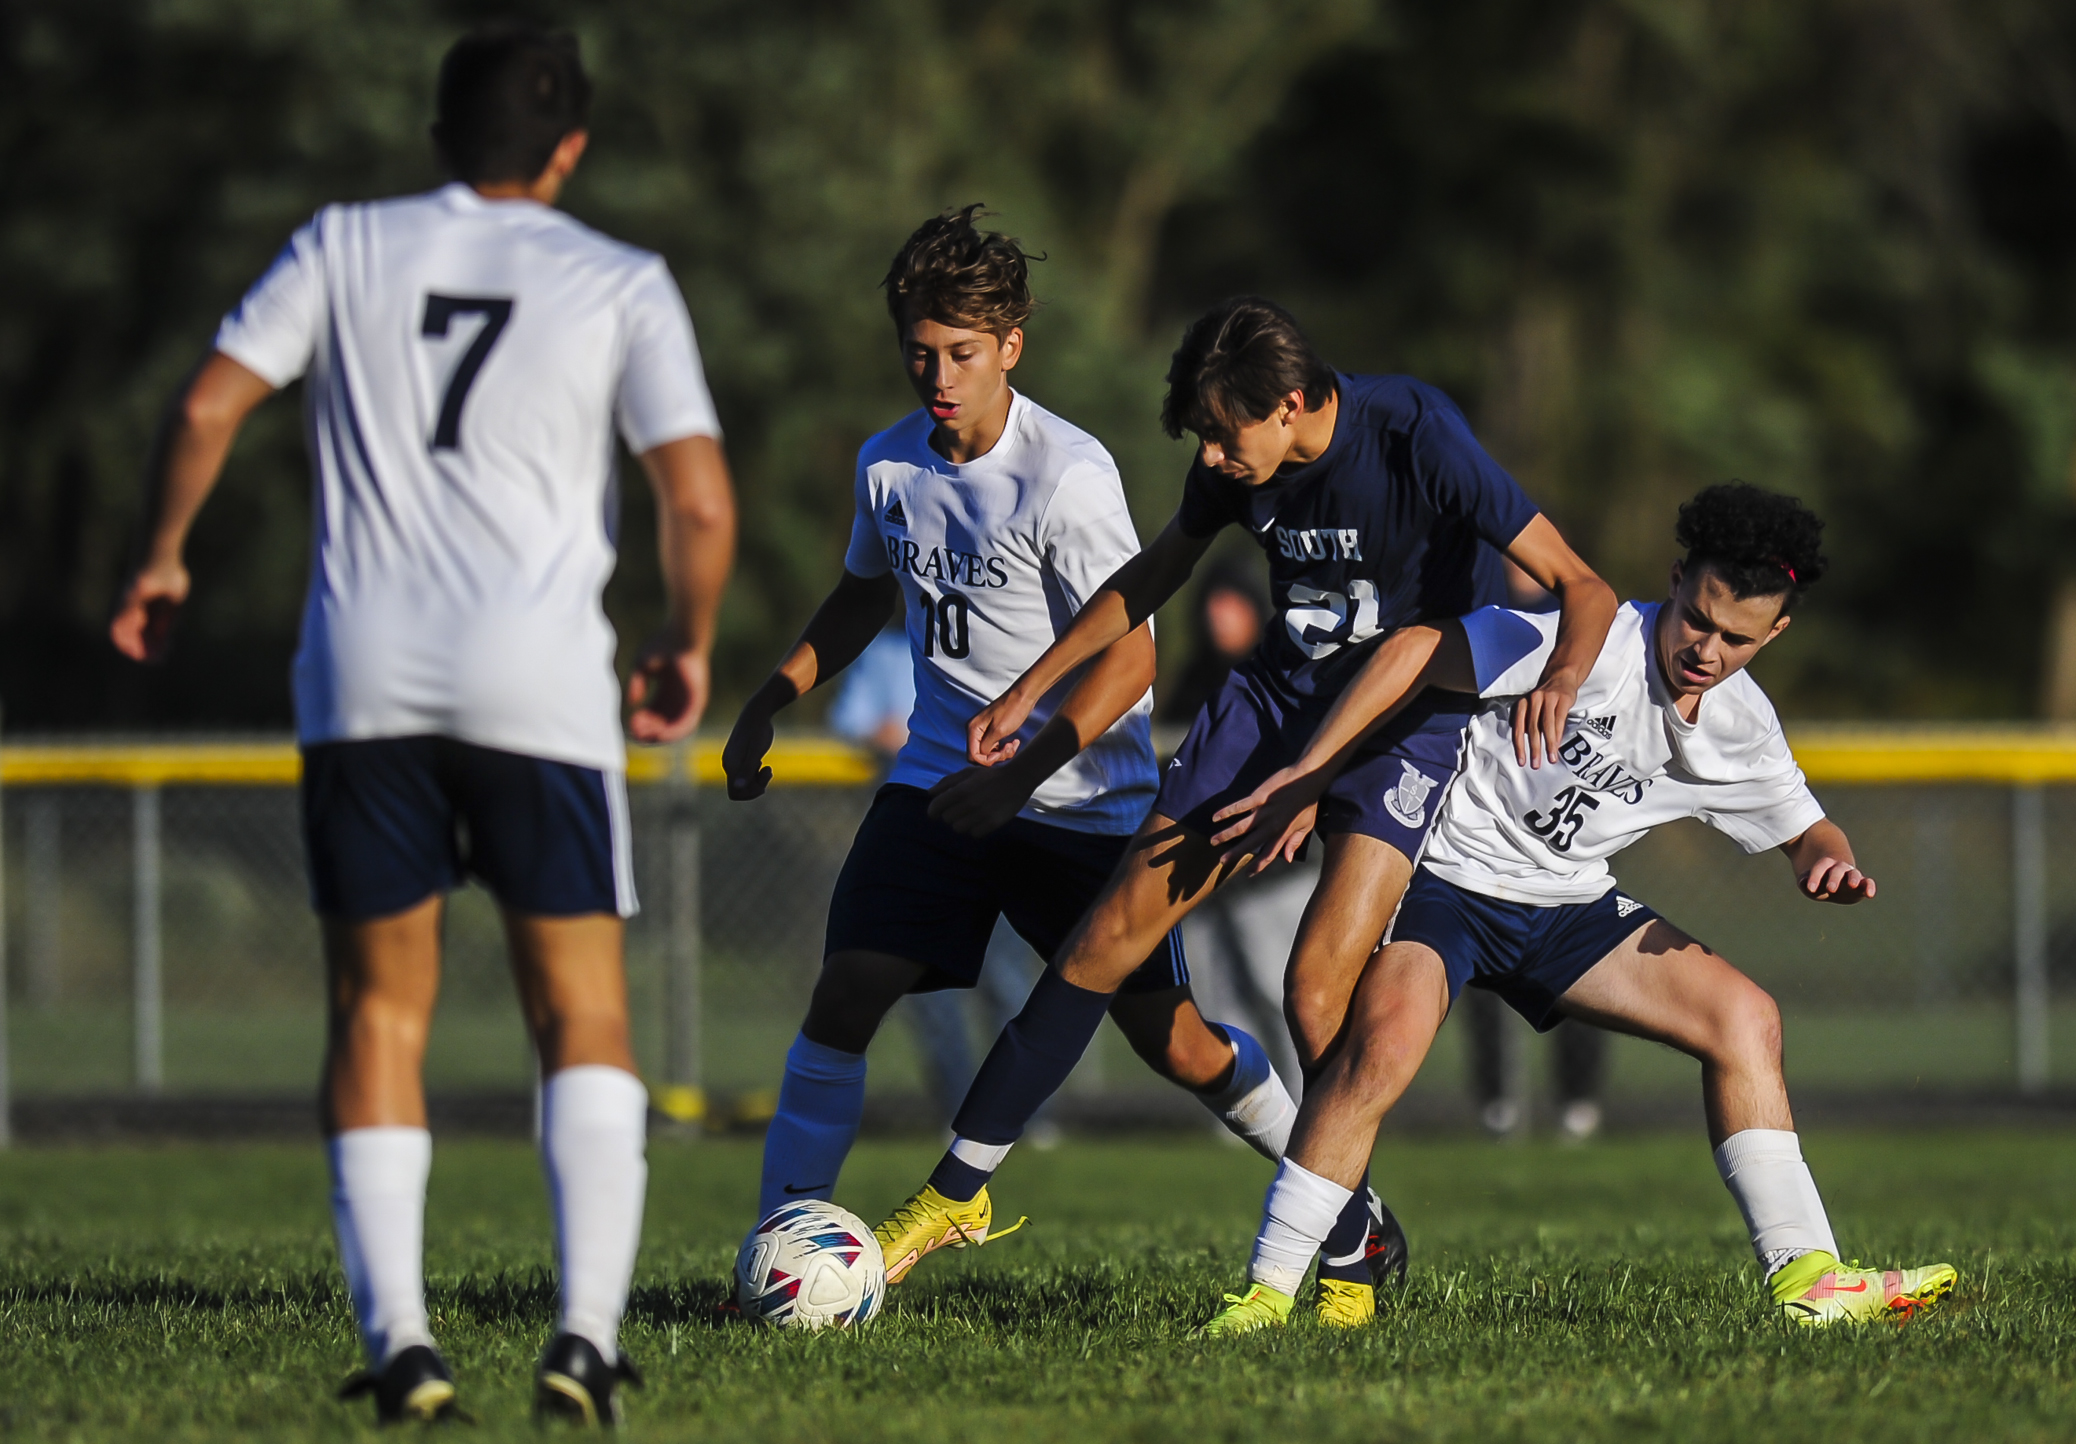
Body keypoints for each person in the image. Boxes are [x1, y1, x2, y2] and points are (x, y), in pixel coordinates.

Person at [108, 24, 735, 1425]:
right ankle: (582, 1336)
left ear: (437, 134)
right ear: (569, 148)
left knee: (379, 1009)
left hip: (365, 681)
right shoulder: (617, 278)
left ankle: (402, 1346)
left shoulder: (343, 243)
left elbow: (210, 401)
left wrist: (161, 555)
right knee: (581, 1012)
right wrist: (687, 642)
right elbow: (695, 499)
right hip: (544, 688)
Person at [873, 296, 1616, 1329]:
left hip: (1405, 725)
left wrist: (1560, 675)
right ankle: (955, 1193)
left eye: (1226, 436)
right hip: (1270, 707)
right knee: (1106, 936)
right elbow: (1153, 576)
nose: (1214, 458)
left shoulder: (1415, 433)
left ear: (1297, 404)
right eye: (1205, 438)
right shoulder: (1230, 463)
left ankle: (1348, 1256)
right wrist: (1029, 687)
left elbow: (1582, 583)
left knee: (1314, 990)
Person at [1198, 484, 1958, 1333]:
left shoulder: (1741, 724)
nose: (1707, 649)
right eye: (1698, 619)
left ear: (1775, 633)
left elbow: (1809, 829)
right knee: (1380, 1052)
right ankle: (1266, 1296)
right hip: (1446, 888)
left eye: (1736, 638)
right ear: (1676, 581)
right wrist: (1312, 770)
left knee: (1747, 1019)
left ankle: (1809, 1278)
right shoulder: (1585, 641)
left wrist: (1833, 863)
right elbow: (1417, 648)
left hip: (1568, 908)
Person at [721, 209, 1300, 1264]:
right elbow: (860, 596)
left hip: (1082, 801)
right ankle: (778, 1247)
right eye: (920, 352)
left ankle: (1326, 1180)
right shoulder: (888, 465)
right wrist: (772, 693)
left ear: (1011, 349)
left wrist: (1021, 773)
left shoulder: (1068, 475)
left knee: (1172, 1038)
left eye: (963, 354)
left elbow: (1131, 661)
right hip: (940, 781)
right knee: (848, 989)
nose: (938, 376)